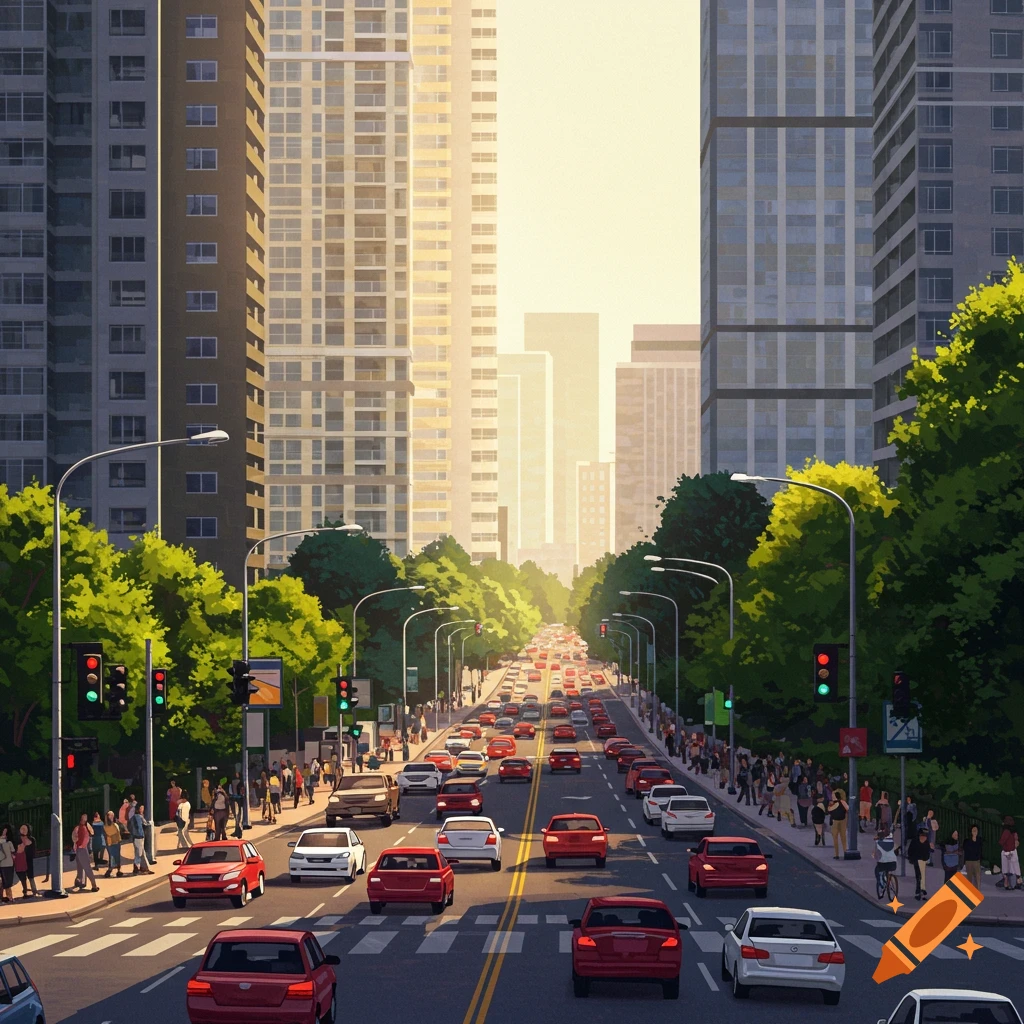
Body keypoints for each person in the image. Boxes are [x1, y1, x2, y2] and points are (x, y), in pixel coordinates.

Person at [71, 813, 100, 891]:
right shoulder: (80, 827)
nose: (85, 818)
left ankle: (79, 881)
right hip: (82, 849)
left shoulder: (84, 826)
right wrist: (80, 845)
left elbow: (75, 838)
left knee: (81, 866)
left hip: (82, 848)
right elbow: (75, 838)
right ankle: (93, 885)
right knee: (86, 867)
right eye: (84, 817)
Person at [908, 826, 932, 900]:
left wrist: (927, 858)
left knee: (922, 876)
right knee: (919, 876)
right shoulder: (915, 841)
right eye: (922, 836)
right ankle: (918, 891)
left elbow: (928, 851)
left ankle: (921, 891)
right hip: (916, 860)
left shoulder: (926, 843)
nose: (924, 838)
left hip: (923, 860)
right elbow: (910, 851)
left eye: (925, 836)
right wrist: (912, 859)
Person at [874, 826, 898, 896]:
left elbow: (876, 854)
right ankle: (890, 882)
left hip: (882, 864)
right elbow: (896, 851)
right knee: (888, 869)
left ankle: (881, 884)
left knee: (877, 871)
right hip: (893, 863)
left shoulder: (877, 842)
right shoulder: (892, 842)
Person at [15, 824, 38, 897]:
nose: (23, 830)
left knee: (31, 876)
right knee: (22, 877)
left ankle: (34, 891)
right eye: (22, 829)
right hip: (20, 860)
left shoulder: (32, 839)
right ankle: (25, 892)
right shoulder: (17, 839)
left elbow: (34, 851)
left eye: (25, 829)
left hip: (29, 860)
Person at [129, 804, 153, 875]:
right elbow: (145, 824)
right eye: (141, 808)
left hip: (136, 837)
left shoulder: (133, 817)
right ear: (138, 809)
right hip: (139, 837)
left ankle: (145, 868)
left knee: (142, 854)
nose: (142, 810)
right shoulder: (139, 817)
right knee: (139, 854)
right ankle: (136, 869)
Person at [999, 816, 1020, 891]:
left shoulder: (1006, 832)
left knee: (1006, 869)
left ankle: (1007, 884)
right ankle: (1017, 882)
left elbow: (1002, 841)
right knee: (1014, 868)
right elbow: (1017, 841)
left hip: (1006, 852)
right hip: (1013, 851)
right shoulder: (1014, 832)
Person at [827, 789, 849, 859]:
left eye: (833, 795)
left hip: (841, 821)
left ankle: (845, 852)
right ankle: (836, 854)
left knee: (843, 837)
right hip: (836, 821)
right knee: (835, 838)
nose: (832, 797)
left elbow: (848, 808)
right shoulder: (832, 803)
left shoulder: (842, 802)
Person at [102, 811, 124, 877]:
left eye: (112, 815)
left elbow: (119, 830)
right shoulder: (106, 825)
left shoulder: (115, 823)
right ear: (107, 817)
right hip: (111, 843)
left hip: (117, 842)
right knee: (112, 857)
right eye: (110, 815)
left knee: (117, 856)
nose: (112, 817)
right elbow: (112, 832)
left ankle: (119, 870)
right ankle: (110, 870)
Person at [963, 824, 983, 891]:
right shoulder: (967, 840)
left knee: (977, 877)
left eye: (976, 830)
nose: (975, 832)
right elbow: (966, 849)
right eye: (973, 830)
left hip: (976, 861)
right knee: (969, 877)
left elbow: (980, 849)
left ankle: (977, 891)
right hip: (969, 861)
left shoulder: (979, 840)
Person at [0, 824, 16, 903]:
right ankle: (10, 897)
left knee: (4, 881)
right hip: (8, 863)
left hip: (3, 864)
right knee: (8, 882)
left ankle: (6, 897)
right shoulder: (9, 843)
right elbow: (13, 853)